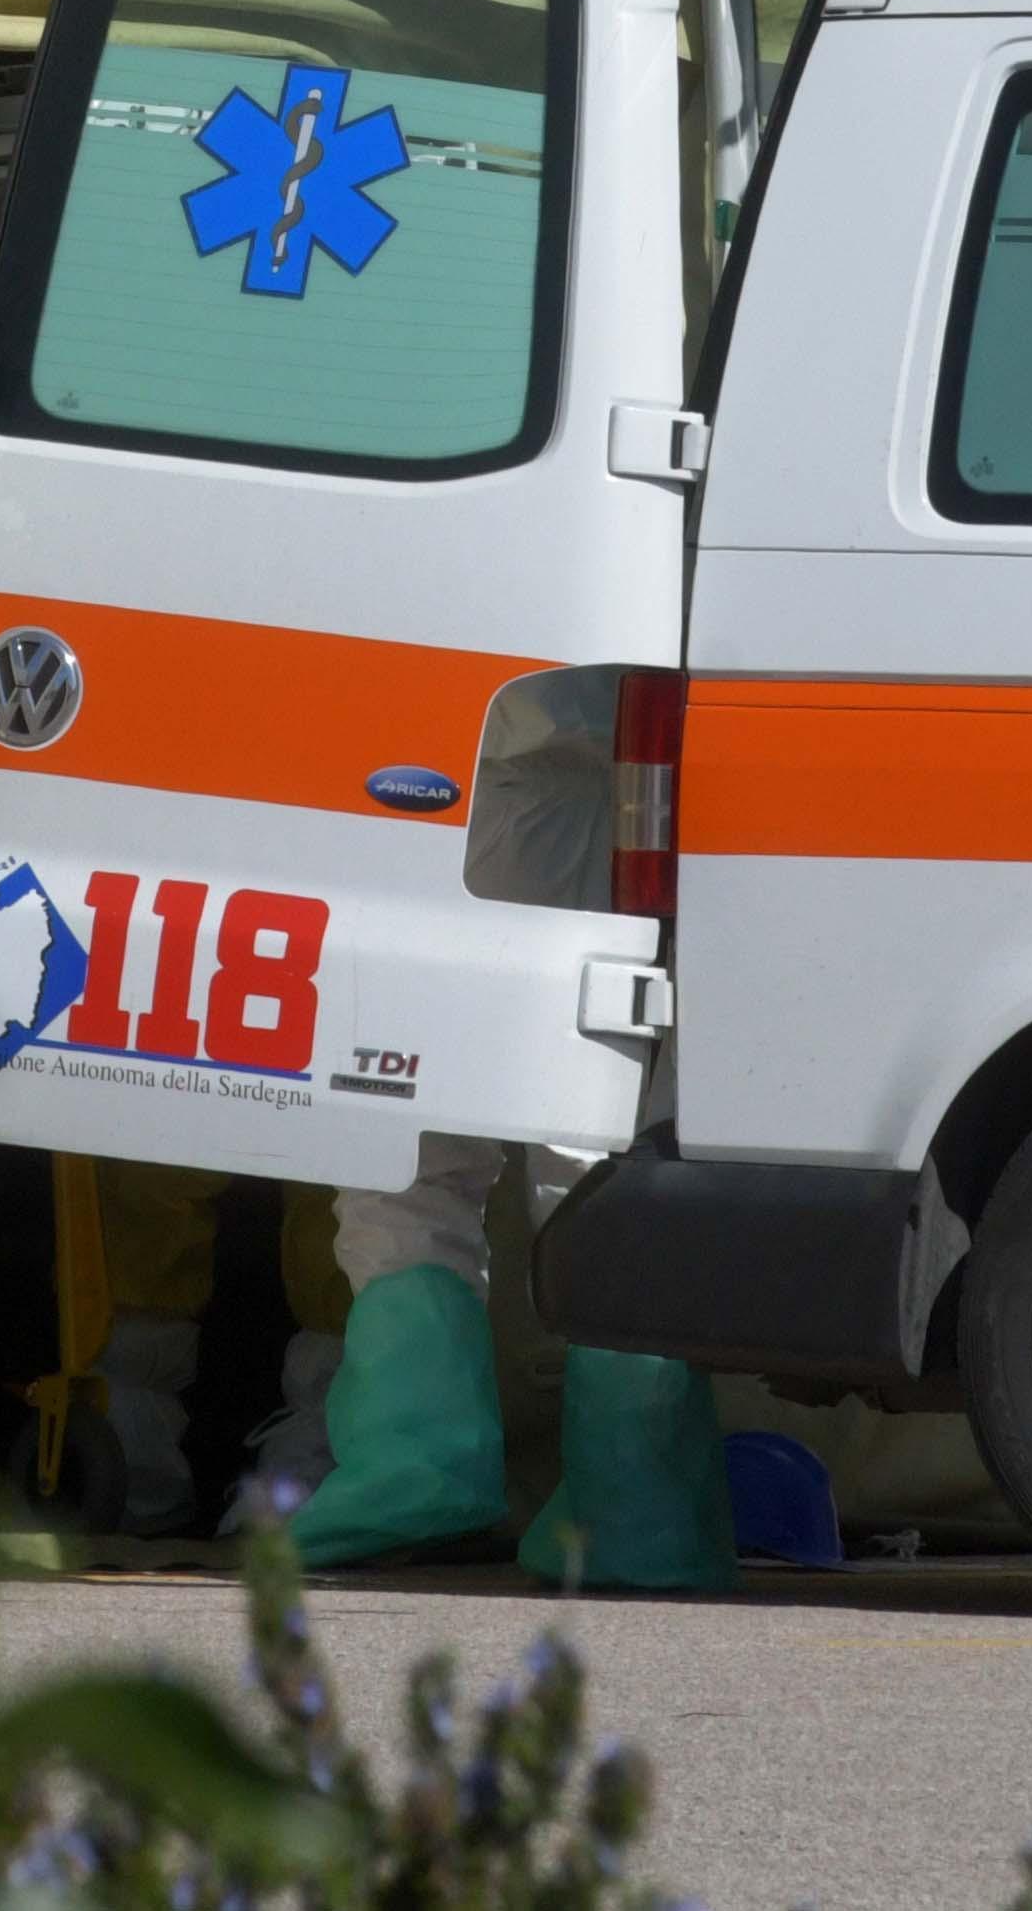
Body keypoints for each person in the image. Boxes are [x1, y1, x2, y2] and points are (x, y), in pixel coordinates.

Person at [280, 672, 737, 1590]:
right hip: (607, 769)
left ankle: (417, 1467)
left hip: (435, 767)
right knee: (596, 1145)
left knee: (402, 1134)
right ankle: (631, 1503)